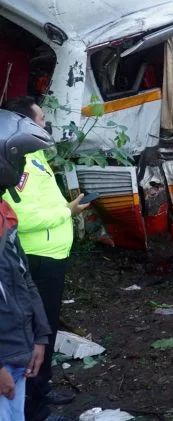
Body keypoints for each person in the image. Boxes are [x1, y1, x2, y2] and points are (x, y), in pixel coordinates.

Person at [0, 98, 89, 419]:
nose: (45, 123)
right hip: (36, 256)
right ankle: (33, 405)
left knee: (44, 328)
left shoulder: (33, 155)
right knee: (30, 332)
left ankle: (40, 390)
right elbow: (20, 214)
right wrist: (66, 211)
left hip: (51, 254)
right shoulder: (13, 159)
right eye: (40, 118)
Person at [0, 110, 54, 421]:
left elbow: (24, 279)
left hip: (18, 350)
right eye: (19, 160)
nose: (22, 168)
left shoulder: (6, 213)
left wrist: (40, 336)